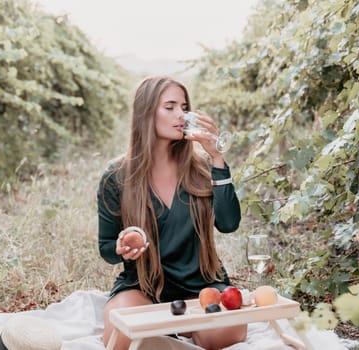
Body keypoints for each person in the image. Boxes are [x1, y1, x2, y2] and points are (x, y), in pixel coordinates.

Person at [96, 76, 247, 350]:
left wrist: (217, 158)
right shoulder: (116, 176)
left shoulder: (202, 167)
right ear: (146, 113)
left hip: (204, 284)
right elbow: (106, 249)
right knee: (120, 339)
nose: (181, 114)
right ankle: (175, 331)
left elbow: (229, 224)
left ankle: (184, 330)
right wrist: (120, 248)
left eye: (184, 106)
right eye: (170, 107)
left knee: (226, 336)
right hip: (143, 286)